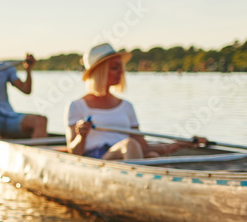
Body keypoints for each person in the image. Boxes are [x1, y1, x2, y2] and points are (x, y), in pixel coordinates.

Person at [66, 43, 205, 160]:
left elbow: (144, 148)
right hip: (98, 159)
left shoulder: (126, 106)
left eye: (121, 67)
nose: (121, 72)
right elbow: (74, 152)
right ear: (99, 72)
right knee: (130, 145)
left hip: (128, 155)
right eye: (115, 68)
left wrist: (181, 144)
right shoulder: (77, 106)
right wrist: (81, 135)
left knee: (152, 155)